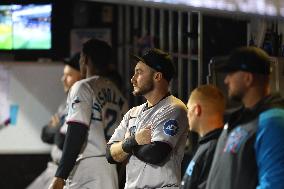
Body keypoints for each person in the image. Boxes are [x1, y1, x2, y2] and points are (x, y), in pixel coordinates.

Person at [48, 38, 128, 189]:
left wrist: (60, 176)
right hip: (110, 170)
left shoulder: (83, 87)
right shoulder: (119, 95)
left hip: (87, 167)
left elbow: (76, 132)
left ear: (86, 59)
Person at [106, 48, 189, 189]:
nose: (133, 79)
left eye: (139, 72)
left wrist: (126, 145)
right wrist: (134, 140)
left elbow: (156, 153)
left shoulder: (174, 107)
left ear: (157, 76)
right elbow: (109, 154)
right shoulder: (133, 112)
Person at [206, 46, 284, 189]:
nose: (226, 81)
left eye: (231, 74)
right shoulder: (241, 118)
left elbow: (275, 184)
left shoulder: (273, 122)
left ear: (248, 78)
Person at [26, 53, 82, 189]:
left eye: (69, 75)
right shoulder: (66, 103)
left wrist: (57, 129)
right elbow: (45, 134)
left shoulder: (83, 104)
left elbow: (64, 142)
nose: (63, 79)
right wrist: (57, 130)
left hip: (67, 174)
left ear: (82, 76)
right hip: (52, 168)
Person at [180, 85, 225, 189]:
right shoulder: (208, 145)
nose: (187, 115)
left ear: (196, 110)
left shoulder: (214, 147)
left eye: (188, 108)